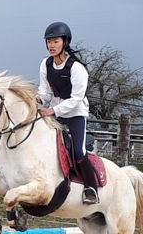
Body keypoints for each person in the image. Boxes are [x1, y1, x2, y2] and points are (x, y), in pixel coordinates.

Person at [37, 21, 99, 204]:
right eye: (49, 41)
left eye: (55, 41)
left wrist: (52, 110)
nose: (51, 45)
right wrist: (35, 99)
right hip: (55, 110)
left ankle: (91, 188)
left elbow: (76, 99)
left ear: (65, 42)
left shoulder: (77, 68)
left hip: (76, 113)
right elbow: (45, 92)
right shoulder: (45, 64)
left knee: (78, 151)